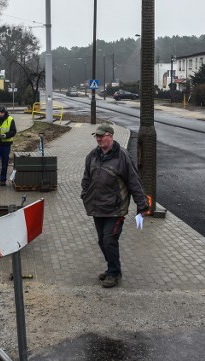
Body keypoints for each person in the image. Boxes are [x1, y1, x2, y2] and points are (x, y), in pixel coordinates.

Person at [81, 123, 149, 288]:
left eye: (101, 135)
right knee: (102, 242)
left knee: (109, 240)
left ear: (110, 136)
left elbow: (134, 182)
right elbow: (86, 178)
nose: (98, 138)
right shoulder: (92, 156)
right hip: (97, 207)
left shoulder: (122, 156)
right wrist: (85, 195)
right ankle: (113, 267)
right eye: (96, 136)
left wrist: (142, 205)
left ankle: (114, 273)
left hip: (115, 209)